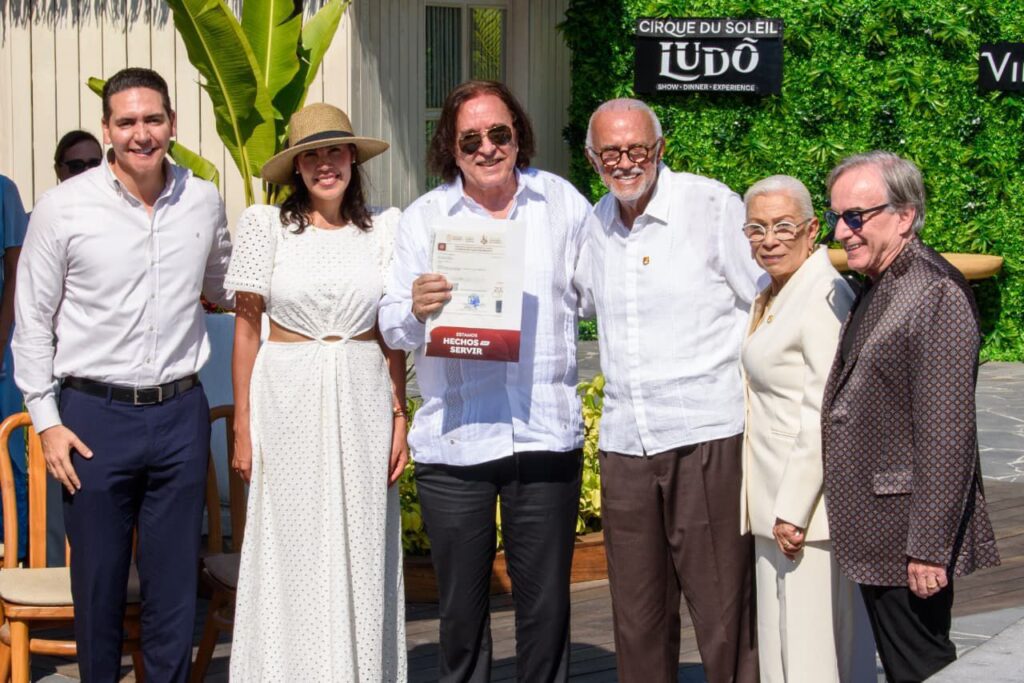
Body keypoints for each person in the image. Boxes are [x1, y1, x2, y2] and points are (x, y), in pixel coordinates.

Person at [13, 67, 233, 681]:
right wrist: (47, 421)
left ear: (172, 123)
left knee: (174, 591)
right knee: (99, 587)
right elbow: (32, 322)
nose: (142, 133)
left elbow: (227, 287)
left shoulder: (203, 200)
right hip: (93, 420)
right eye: (128, 121)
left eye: (153, 119)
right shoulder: (62, 208)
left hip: (180, 414)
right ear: (107, 128)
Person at [379, 80, 593, 682]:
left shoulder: (562, 202)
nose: (487, 148)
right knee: (460, 618)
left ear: (518, 134)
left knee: (546, 613)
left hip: (543, 432)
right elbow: (391, 324)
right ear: (451, 147)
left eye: (498, 133)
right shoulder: (424, 218)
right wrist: (416, 307)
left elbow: (599, 290)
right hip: (457, 439)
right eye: (470, 138)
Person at [577, 98, 761, 683]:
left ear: (660, 149)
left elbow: (762, 298)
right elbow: (573, 302)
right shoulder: (595, 223)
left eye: (637, 149)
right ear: (592, 158)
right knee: (638, 618)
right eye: (610, 152)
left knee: (724, 613)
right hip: (626, 442)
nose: (625, 162)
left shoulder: (711, 205)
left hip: (705, 434)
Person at [226, 103, 407, 680]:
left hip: (363, 397)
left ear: (353, 156)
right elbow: (247, 330)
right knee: (293, 544)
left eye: (334, 151)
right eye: (311, 155)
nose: (325, 164)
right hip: (287, 397)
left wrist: (399, 417)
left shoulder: (385, 228)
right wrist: (243, 423)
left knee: (362, 541)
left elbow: (392, 334)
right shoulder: (265, 226)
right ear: (296, 168)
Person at [821, 150, 1001, 682]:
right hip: (879, 528)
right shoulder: (884, 281)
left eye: (856, 216)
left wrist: (928, 549)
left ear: (904, 215)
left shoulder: (935, 292)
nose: (842, 231)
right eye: (837, 216)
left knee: (922, 667)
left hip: (907, 538)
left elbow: (948, 435)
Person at [738, 175, 874, 682]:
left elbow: (825, 409)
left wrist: (793, 510)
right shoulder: (774, 290)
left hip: (806, 514)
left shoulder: (823, 295)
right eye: (756, 228)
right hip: (774, 502)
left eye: (783, 226)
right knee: (782, 649)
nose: (769, 239)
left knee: (810, 655)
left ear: (812, 229)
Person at [0, 174, 27, 559]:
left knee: (8, 459)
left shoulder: (4, 191)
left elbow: (16, 273)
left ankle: (16, 554)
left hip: (2, 359)